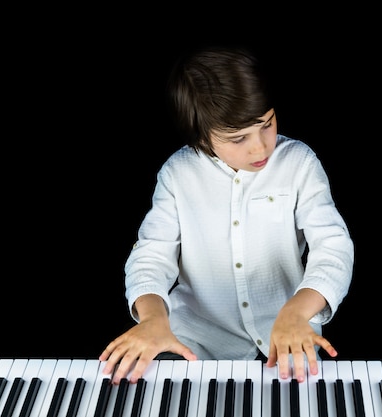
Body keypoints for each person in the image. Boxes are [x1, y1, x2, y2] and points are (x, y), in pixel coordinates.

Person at [99, 45, 354, 385]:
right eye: (238, 138)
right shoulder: (177, 174)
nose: (260, 147)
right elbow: (151, 256)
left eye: (267, 124)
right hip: (194, 342)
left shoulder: (300, 163)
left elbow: (333, 247)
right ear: (201, 136)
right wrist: (151, 319)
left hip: (291, 337)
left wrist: (297, 311)